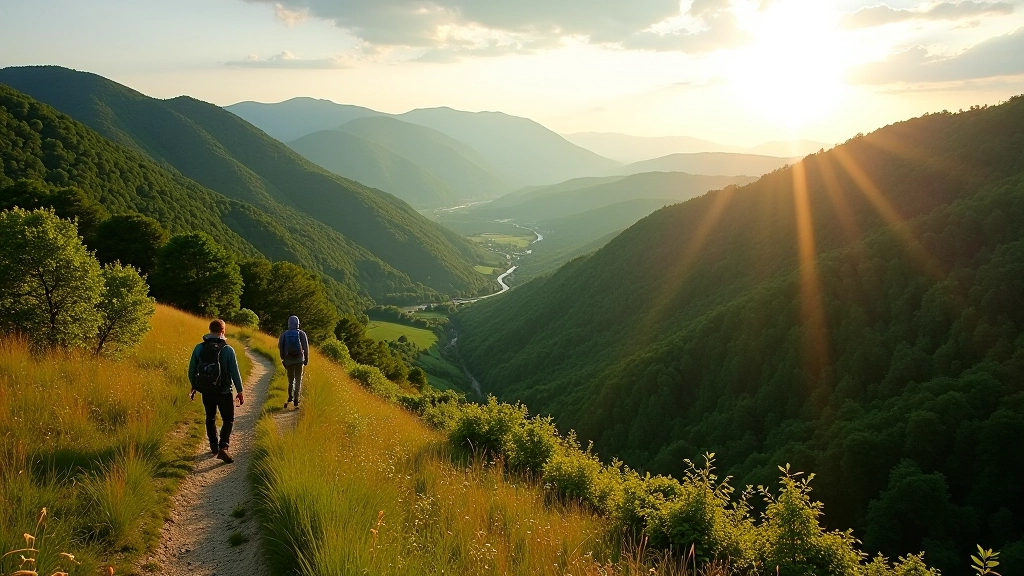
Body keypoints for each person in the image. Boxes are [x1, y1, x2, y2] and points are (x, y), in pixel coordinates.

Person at [188, 319, 244, 464]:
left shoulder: (199, 348)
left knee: (210, 417)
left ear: (210, 329)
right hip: (224, 391)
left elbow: (192, 370)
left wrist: (194, 385)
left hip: (207, 390)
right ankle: (223, 447)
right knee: (228, 419)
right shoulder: (228, 350)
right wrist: (240, 391)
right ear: (223, 331)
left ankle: (213, 445)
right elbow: (235, 372)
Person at [278, 315, 309, 409]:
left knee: (290, 380)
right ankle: (296, 399)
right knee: (298, 379)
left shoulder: (284, 334)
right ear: (298, 323)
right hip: (299, 360)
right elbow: (305, 347)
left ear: (289, 323)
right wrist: (306, 358)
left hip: (288, 360)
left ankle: (290, 397)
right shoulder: (302, 334)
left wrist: (283, 359)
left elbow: (280, 347)